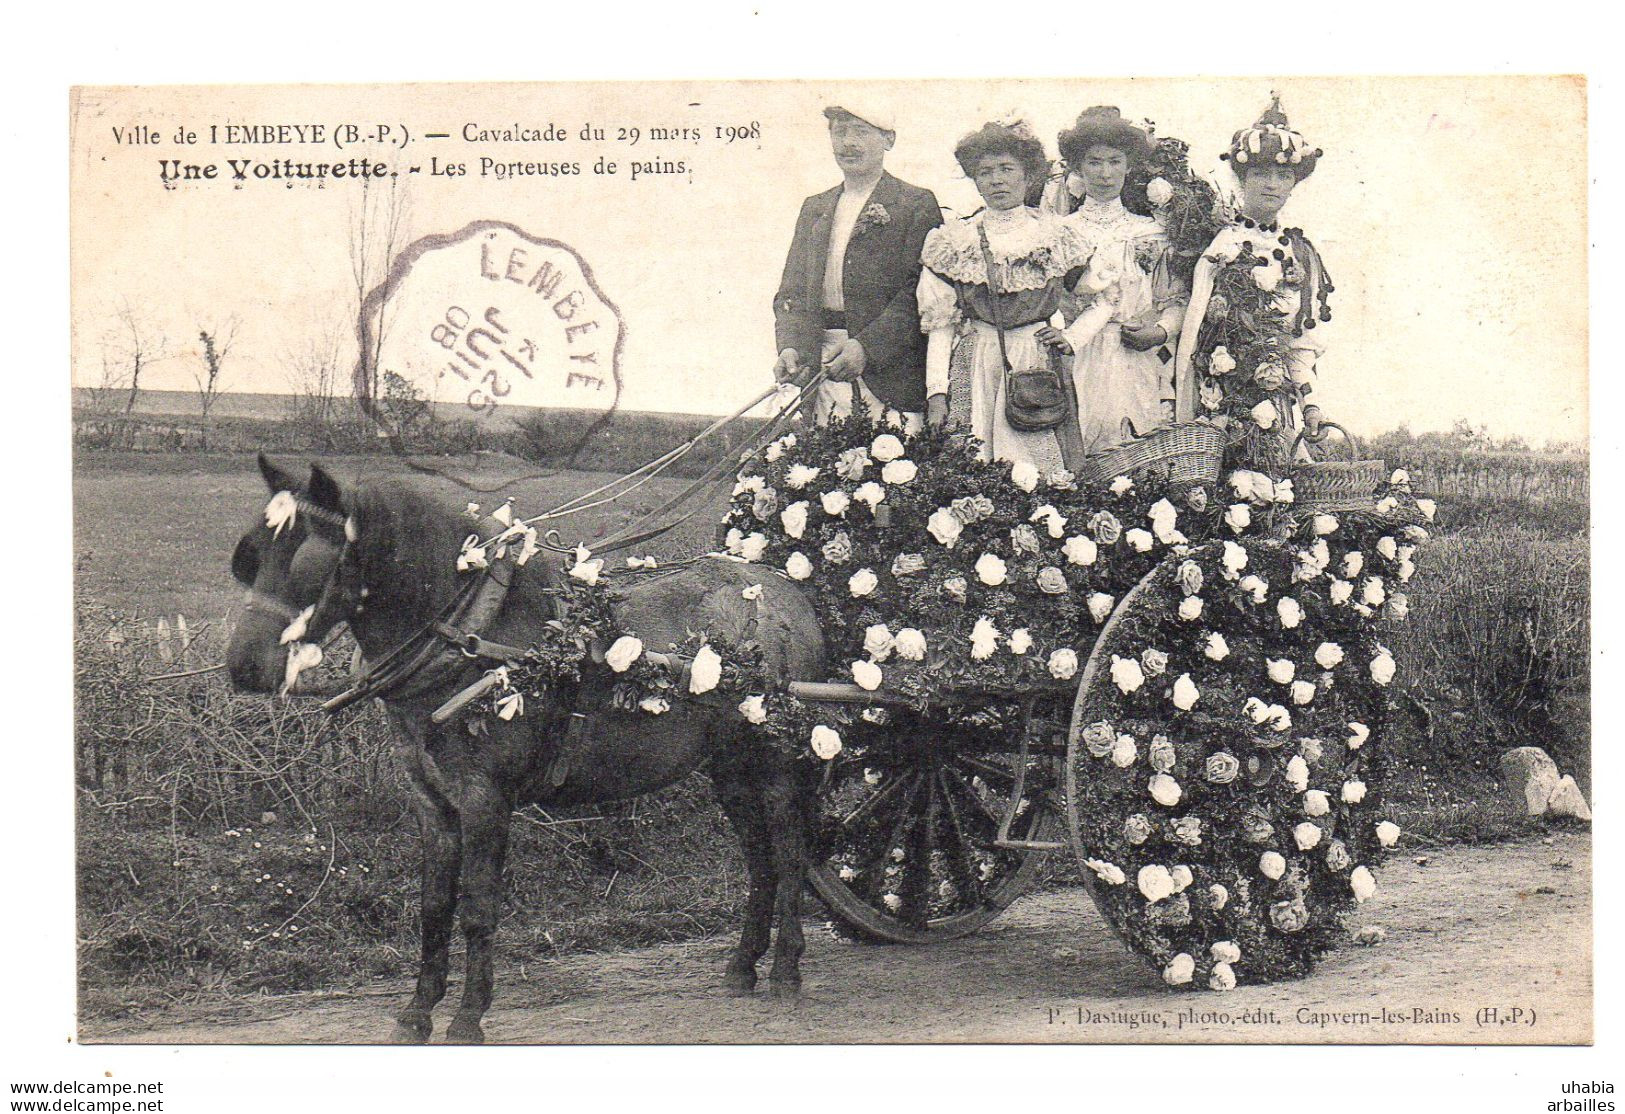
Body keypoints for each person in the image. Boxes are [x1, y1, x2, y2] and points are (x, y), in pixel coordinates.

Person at [917, 119, 1115, 471]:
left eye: (1007, 169)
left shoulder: (1056, 235)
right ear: (975, 181)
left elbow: (1104, 299)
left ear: (1028, 175)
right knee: (973, 464)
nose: (996, 180)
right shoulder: (955, 241)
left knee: (1038, 468)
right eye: (985, 172)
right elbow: (940, 325)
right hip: (975, 361)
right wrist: (937, 393)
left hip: (1035, 364)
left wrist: (1071, 337)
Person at [1173, 98, 1334, 449]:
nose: (1272, 185)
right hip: (1220, 392)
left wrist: (1310, 403)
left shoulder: (1299, 251)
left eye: (1283, 175)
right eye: (1261, 173)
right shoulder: (1224, 245)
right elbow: (1193, 329)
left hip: (1276, 398)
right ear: (1243, 178)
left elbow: (1299, 339)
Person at [773, 103, 943, 431]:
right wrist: (790, 345)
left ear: (889, 140)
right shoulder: (815, 207)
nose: (849, 142)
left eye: (861, 131)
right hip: (820, 373)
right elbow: (790, 293)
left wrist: (867, 347)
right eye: (840, 131)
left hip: (888, 375)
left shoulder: (915, 204)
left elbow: (917, 294)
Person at [1052, 107, 1189, 454]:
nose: (1105, 173)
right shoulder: (1060, 232)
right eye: (1095, 162)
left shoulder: (1150, 233)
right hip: (1074, 355)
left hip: (1134, 356)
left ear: (1129, 166)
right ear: (1078, 168)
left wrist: (1157, 333)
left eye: (1115, 162)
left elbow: (1173, 301)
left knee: (1132, 454)